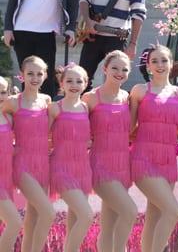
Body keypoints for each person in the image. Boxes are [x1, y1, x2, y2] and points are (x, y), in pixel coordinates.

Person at [82, 50, 137, 252]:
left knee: (109, 225)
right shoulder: (90, 98)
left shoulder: (126, 97)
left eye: (124, 69)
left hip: (123, 166)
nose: (119, 72)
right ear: (105, 69)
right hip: (101, 165)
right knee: (130, 211)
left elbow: (131, 129)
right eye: (115, 67)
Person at [130, 45, 178, 252]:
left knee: (155, 215)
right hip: (144, 158)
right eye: (155, 61)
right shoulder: (140, 91)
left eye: (164, 60)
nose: (160, 65)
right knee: (172, 210)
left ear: (171, 63)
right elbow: (129, 127)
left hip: (168, 160)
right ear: (148, 66)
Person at [2, 56, 54, 252]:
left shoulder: (46, 101)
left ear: (45, 76)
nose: (35, 77)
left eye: (39, 73)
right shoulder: (12, 103)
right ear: (22, 75)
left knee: (34, 218)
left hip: (43, 164)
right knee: (48, 213)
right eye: (30, 73)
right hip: (22, 165)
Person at [48, 63, 94, 252]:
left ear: (85, 84)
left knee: (75, 215)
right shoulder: (54, 108)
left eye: (79, 81)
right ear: (61, 83)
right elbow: (40, 135)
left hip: (82, 168)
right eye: (69, 80)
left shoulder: (85, 107)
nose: (74, 84)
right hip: (61, 167)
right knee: (86, 215)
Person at [0, 77, 22, 251]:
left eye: (2, 92)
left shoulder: (9, 118)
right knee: (14, 222)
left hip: (6, 179)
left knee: (11, 223)